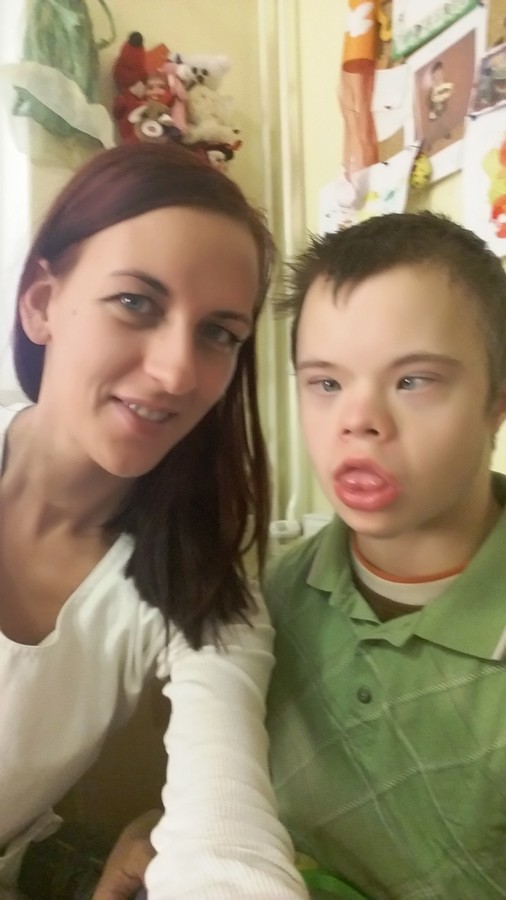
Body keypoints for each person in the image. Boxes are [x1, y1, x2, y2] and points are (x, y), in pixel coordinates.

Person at [0, 141, 307, 899]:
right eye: (136, 302)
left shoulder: (197, 583)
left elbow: (225, 829)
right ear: (41, 303)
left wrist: (181, 841)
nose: (175, 372)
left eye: (218, 333)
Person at [265, 211, 506, 898]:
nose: (359, 420)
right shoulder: (276, 597)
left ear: (497, 401)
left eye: (413, 381)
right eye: (326, 383)